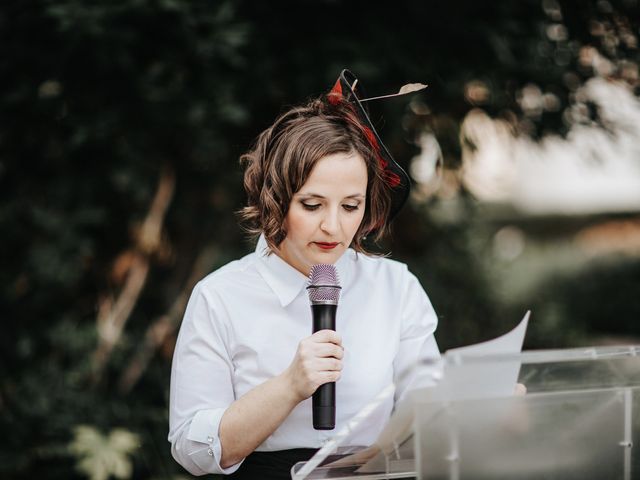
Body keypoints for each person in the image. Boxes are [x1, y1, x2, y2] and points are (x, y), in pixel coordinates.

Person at [168, 69, 439, 479]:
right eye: (312, 205)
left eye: (351, 206)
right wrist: (290, 385)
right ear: (275, 199)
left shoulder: (395, 287)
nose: (333, 227)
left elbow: (429, 407)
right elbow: (192, 448)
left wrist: (477, 408)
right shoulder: (220, 296)